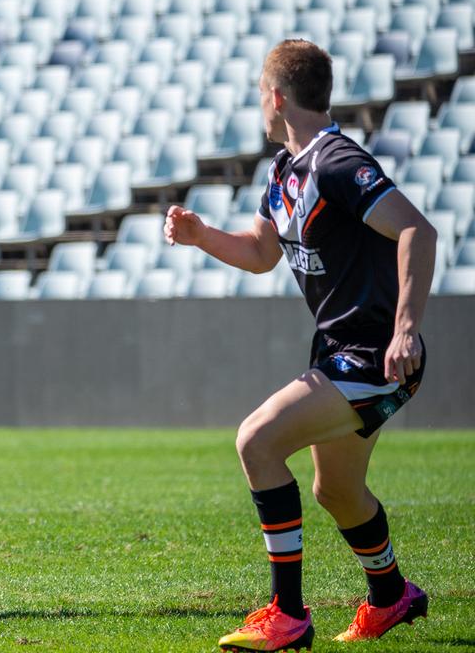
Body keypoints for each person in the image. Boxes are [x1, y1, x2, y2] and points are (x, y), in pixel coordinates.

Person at [164, 40, 436, 651]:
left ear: (278, 97)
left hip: (373, 356)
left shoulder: (337, 161)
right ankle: (392, 596)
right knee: (335, 490)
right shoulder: (285, 169)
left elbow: (418, 228)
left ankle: (288, 614)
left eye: (261, 93)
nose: (259, 104)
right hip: (341, 352)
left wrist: (406, 327)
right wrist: (201, 234)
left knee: (256, 441)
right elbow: (262, 254)